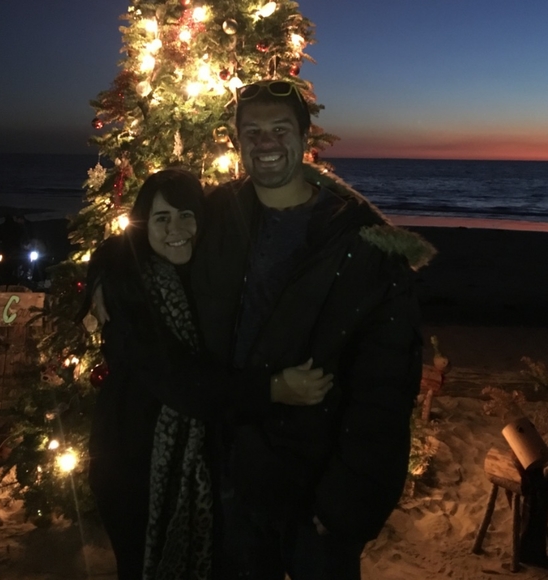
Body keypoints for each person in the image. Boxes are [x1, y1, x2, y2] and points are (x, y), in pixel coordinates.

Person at [189, 80, 436, 579]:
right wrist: (108, 272)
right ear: (236, 141)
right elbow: (146, 239)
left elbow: (386, 384)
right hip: (234, 475)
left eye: (280, 129)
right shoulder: (215, 215)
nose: (266, 143)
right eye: (252, 131)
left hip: (318, 486)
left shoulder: (360, 241)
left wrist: (348, 502)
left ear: (305, 138)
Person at [79, 168, 333, 580]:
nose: (176, 230)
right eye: (161, 218)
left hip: (196, 463)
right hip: (132, 466)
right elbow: (177, 380)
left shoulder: (200, 273)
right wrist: (272, 389)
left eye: (187, 215)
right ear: (144, 224)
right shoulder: (130, 290)